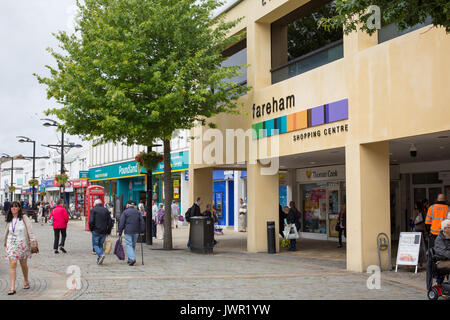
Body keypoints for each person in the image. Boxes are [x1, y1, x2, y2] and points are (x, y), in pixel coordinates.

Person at [3, 201, 37, 295]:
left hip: (22, 244)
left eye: (16, 207)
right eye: (12, 207)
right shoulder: (9, 219)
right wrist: (5, 241)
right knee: (13, 264)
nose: (13, 208)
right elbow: (7, 231)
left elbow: (30, 231)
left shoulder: (24, 218)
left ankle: (26, 281)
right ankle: (12, 287)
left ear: (19, 208)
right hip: (11, 244)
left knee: (23, 264)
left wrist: (33, 242)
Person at [118, 200, 145, 266]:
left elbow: (121, 223)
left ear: (128, 205)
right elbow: (142, 222)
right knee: (132, 245)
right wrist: (142, 231)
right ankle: (130, 259)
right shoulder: (138, 212)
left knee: (129, 244)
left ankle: (132, 258)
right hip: (136, 231)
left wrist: (120, 231)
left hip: (128, 231)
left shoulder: (125, 212)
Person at [89, 199, 113, 265]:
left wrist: (91, 229)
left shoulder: (93, 210)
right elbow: (110, 222)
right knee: (100, 245)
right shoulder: (106, 210)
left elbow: (91, 221)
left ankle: (100, 255)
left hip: (96, 231)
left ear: (95, 203)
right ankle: (99, 259)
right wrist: (108, 231)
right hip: (104, 231)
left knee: (95, 245)